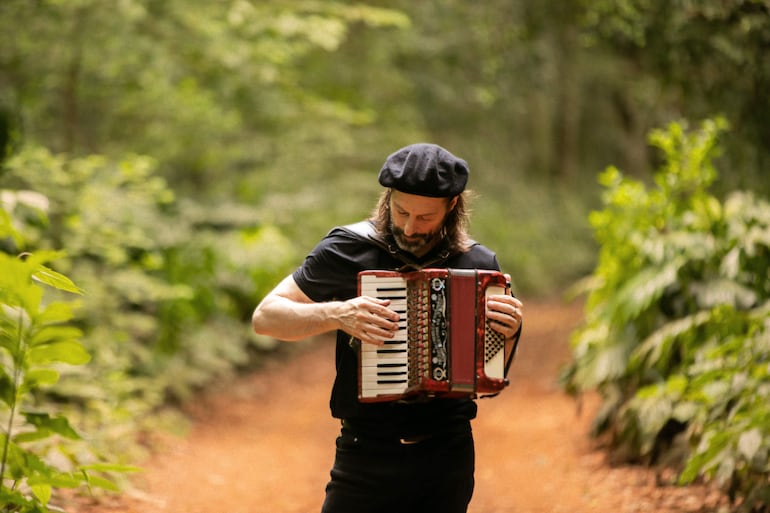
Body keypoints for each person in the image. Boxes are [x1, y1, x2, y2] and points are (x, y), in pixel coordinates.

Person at [251, 142, 524, 513]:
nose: (410, 227)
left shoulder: (477, 264)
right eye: (401, 211)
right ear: (388, 198)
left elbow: (487, 377)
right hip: (365, 451)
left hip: (447, 454)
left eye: (425, 217)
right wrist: (338, 313)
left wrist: (505, 335)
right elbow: (266, 317)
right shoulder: (346, 250)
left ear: (453, 206)